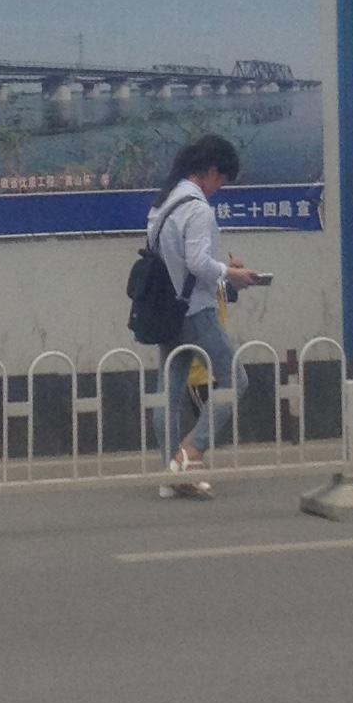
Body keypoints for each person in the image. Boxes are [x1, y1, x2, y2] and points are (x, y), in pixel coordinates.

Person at [150, 133, 263, 499]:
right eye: (222, 179)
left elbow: (176, 261)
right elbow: (198, 263)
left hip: (167, 309)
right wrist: (232, 274)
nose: (221, 187)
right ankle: (188, 454)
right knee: (235, 379)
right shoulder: (198, 209)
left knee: (168, 393)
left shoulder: (164, 203)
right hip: (196, 309)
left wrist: (222, 270)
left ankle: (170, 475)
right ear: (211, 171)